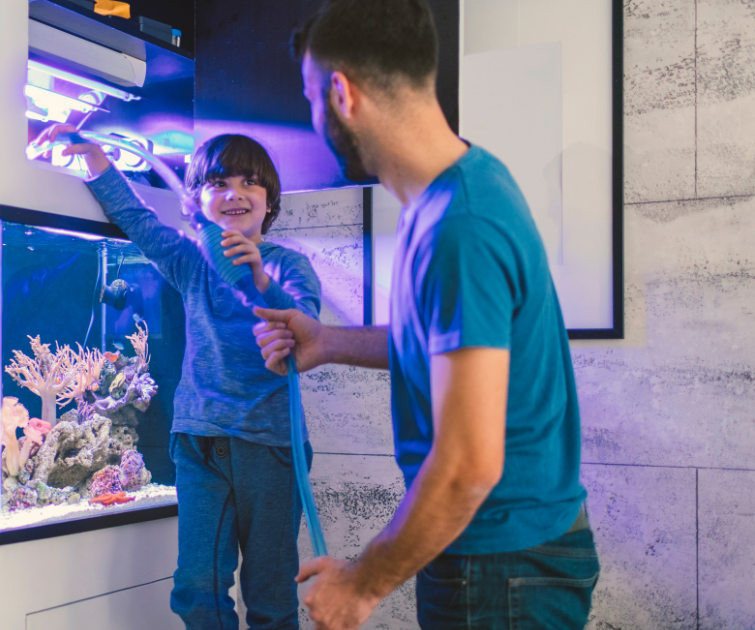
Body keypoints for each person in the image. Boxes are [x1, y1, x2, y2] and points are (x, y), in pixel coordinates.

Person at [252, 1, 599, 628]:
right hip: (493, 556)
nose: (312, 119)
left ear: (341, 94)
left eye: (310, 98)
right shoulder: (447, 196)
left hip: (502, 567)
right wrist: (327, 341)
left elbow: (468, 465)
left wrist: (359, 586)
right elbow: (443, 346)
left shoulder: (459, 226)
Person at [37, 124, 322, 630]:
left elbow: (305, 332)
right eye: (218, 183)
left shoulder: (290, 266)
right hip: (199, 444)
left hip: (272, 448)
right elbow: (136, 220)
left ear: (270, 202)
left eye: (250, 183)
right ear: (196, 202)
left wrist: (258, 278)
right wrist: (98, 162)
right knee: (196, 590)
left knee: (271, 598)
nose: (234, 193)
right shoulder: (190, 262)